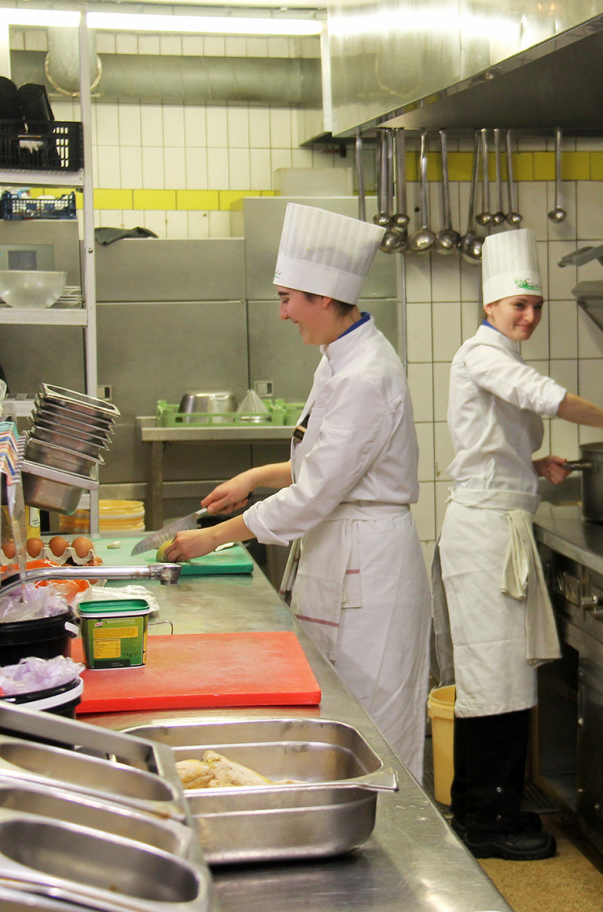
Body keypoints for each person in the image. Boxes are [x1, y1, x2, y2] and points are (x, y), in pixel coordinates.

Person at [164, 203, 431, 781]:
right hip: (342, 549)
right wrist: (255, 477)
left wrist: (210, 539)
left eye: (288, 298)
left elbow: (314, 495)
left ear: (325, 297)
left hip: (372, 572)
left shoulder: (366, 375)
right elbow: (321, 464)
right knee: (340, 716)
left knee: (374, 728)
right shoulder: (337, 359)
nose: (283, 313)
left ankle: (402, 855)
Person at [436, 227, 603, 860]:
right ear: (490, 308)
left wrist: (532, 467)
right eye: (518, 307)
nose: (528, 316)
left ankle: (495, 805)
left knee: (503, 679)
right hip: (483, 539)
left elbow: (487, 445)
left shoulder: (503, 357)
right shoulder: (481, 355)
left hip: (500, 526)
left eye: (535, 307)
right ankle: (483, 820)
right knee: (489, 682)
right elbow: (545, 398)